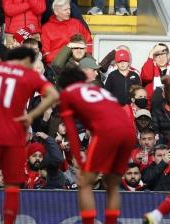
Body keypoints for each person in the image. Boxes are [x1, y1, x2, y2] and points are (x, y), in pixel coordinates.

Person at [0, 47, 59, 224]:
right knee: (12, 187)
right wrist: (32, 115)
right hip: (14, 136)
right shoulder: (29, 75)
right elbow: (53, 95)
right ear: (27, 61)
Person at [57, 67, 136, 224]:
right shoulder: (98, 90)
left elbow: (71, 131)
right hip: (129, 131)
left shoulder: (67, 94)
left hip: (107, 131)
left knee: (85, 183)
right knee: (112, 185)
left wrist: (79, 160)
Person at [41, 0, 92, 64]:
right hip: (58, 64)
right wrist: (67, 51)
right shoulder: (46, 28)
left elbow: (89, 43)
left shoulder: (77, 23)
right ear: (56, 12)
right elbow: (46, 55)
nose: (69, 12)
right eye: (65, 10)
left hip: (80, 60)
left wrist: (82, 54)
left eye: (69, 9)